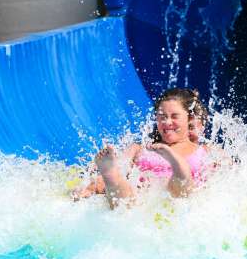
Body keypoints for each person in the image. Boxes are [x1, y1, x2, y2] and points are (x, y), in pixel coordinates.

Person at [75, 88, 211, 209]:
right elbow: (121, 168)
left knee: (181, 188)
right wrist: (92, 186)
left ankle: (179, 168)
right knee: (123, 193)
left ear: (189, 118)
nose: (167, 122)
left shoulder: (206, 151)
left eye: (174, 116)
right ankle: (111, 176)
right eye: (162, 117)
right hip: (141, 204)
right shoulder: (139, 149)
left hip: (179, 201)